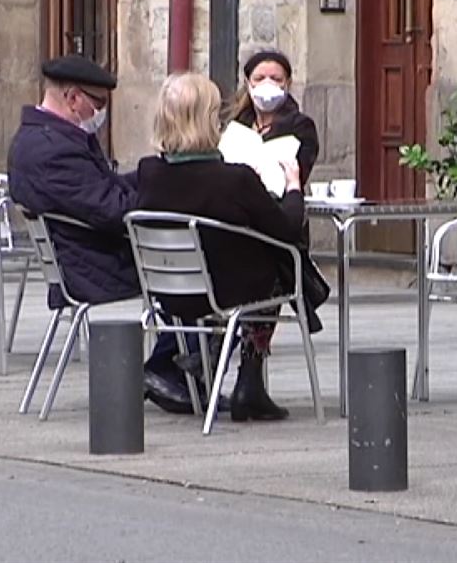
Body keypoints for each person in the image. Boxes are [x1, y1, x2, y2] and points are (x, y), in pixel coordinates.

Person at [8, 54, 212, 416]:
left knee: (191, 260)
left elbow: (105, 191)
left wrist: (159, 175)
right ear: (73, 98)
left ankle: (175, 367)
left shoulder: (49, 137)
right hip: (93, 266)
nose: (102, 114)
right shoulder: (50, 150)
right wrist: (168, 191)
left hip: (88, 256)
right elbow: (114, 211)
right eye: (97, 104)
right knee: (200, 265)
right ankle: (172, 369)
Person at [137, 72, 327, 422]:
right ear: (209, 121)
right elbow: (286, 227)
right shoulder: (234, 179)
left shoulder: (149, 172)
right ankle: (248, 383)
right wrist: (294, 185)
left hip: (168, 295)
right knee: (282, 261)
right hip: (228, 295)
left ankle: (214, 359)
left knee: (262, 257)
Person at [231, 49, 320, 186]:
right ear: (248, 83)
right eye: (259, 79)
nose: (267, 84)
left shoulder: (301, 127)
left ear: (287, 84)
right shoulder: (238, 125)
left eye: (276, 79)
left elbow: (299, 175)